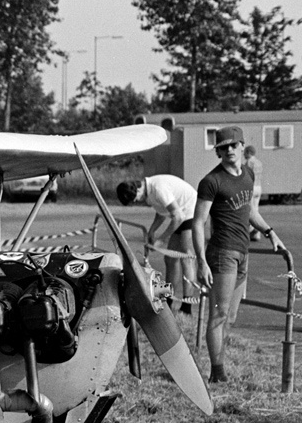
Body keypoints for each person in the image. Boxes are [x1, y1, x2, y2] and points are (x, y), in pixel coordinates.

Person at [193, 126, 283, 383]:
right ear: (218, 152)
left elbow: (249, 211)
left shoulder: (248, 175)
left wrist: (270, 232)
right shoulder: (212, 182)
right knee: (218, 314)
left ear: (243, 146)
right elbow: (198, 222)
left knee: (230, 316)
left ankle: (219, 367)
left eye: (233, 145)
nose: (229, 150)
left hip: (243, 252)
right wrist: (201, 261)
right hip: (222, 254)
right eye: (223, 147)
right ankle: (217, 372)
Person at [116, 175, 198, 314]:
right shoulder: (149, 192)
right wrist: (152, 231)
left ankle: (187, 307)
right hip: (181, 213)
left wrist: (161, 240)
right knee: (170, 259)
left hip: (191, 211)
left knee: (186, 258)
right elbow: (162, 212)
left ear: (138, 190)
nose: (138, 202)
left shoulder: (158, 188)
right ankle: (168, 300)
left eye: (136, 200)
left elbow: (177, 217)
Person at [245, 144, 264, 240]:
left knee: (250, 210)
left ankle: (250, 230)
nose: (244, 154)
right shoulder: (259, 162)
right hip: (258, 187)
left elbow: (247, 176)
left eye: (245, 152)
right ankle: (257, 232)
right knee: (256, 209)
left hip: (251, 187)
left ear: (249, 152)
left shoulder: (249, 162)